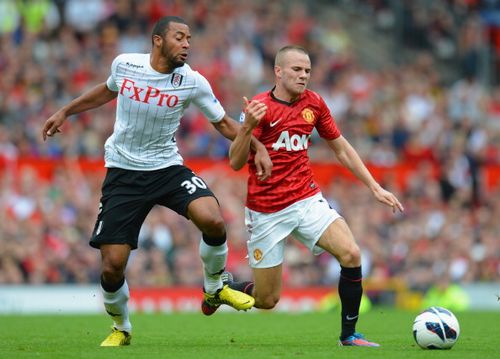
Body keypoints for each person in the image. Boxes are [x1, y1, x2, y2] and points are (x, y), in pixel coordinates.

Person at [41, 16, 272, 347]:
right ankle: (121, 327)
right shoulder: (126, 65)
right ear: (158, 40)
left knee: (213, 219)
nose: (187, 44)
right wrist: (66, 111)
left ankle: (215, 287)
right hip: (123, 173)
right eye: (180, 37)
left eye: (189, 38)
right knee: (112, 267)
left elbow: (223, 124)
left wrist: (258, 146)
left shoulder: (192, 81)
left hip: (166, 168)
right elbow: (107, 90)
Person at [225, 45, 404, 347]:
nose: (304, 75)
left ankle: (349, 335)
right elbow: (235, 162)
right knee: (267, 300)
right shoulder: (259, 106)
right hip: (266, 210)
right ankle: (224, 288)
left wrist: (374, 186)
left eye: (307, 70)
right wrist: (247, 128)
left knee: (351, 253)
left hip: (306, 199)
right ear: (278, 72)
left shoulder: (315, 103)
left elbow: (341, 148)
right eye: (296, 69)